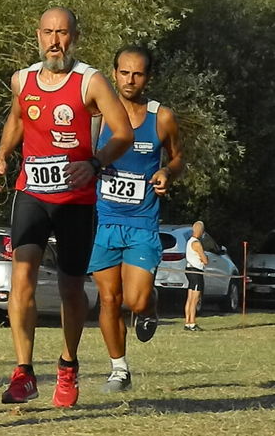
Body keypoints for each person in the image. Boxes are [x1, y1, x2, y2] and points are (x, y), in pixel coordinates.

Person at [0, 7, 133, 408]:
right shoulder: (23, 79)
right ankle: (24, 373)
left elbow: (124, 133)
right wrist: (1, 155)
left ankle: (68, 366)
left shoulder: (91, 82)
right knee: (23, 277)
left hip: (75, 199)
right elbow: (17, 118)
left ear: (74, 37)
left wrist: (96, 163)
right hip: (31, 191)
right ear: (38, 35)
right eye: (48, 33)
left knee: (70, 287)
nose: (55, 41)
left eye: (62, 34)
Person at [87, 45, 183, 393]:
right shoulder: (96, 116)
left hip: (142, 223)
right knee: (109, 300)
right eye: (124, 72)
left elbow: (178, 158)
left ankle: (151, 307)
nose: (130, 80)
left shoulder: (162, 118)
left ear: (148, 78)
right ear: (113, 74)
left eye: (137, 73)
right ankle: (119, 369)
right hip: (105, 222)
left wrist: (166, 173)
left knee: (135, 300)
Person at [184, 221, 208, 331]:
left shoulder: (189, 242)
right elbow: (205, 260)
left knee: (189, 298)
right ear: (200, 231)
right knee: (195, 299)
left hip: (189, 270)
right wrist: (205, 257)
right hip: (196, 272)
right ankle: (192, 322)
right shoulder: (197, 243)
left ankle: (187, 322)